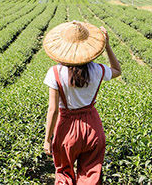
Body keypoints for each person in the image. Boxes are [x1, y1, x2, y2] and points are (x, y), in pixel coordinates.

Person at [42, 21, 121, 184]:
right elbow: (117, 71)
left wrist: (48, 138)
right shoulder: (97, 70)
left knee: (64, 174)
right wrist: (107, 46)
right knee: (91, 175)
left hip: (66, 128)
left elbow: (53, 110)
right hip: (92, 126)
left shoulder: (55, 73)